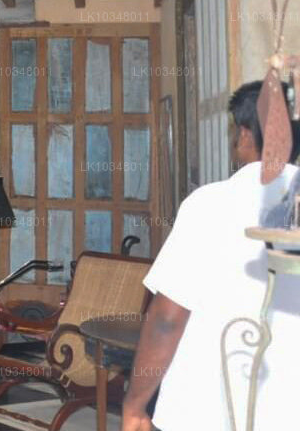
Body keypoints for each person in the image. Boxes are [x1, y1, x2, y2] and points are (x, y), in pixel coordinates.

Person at [122, 81, 300, 431]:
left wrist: (135, 404)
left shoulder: (211, 204)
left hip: (206, 409)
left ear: (244, 134)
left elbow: (167, 318)